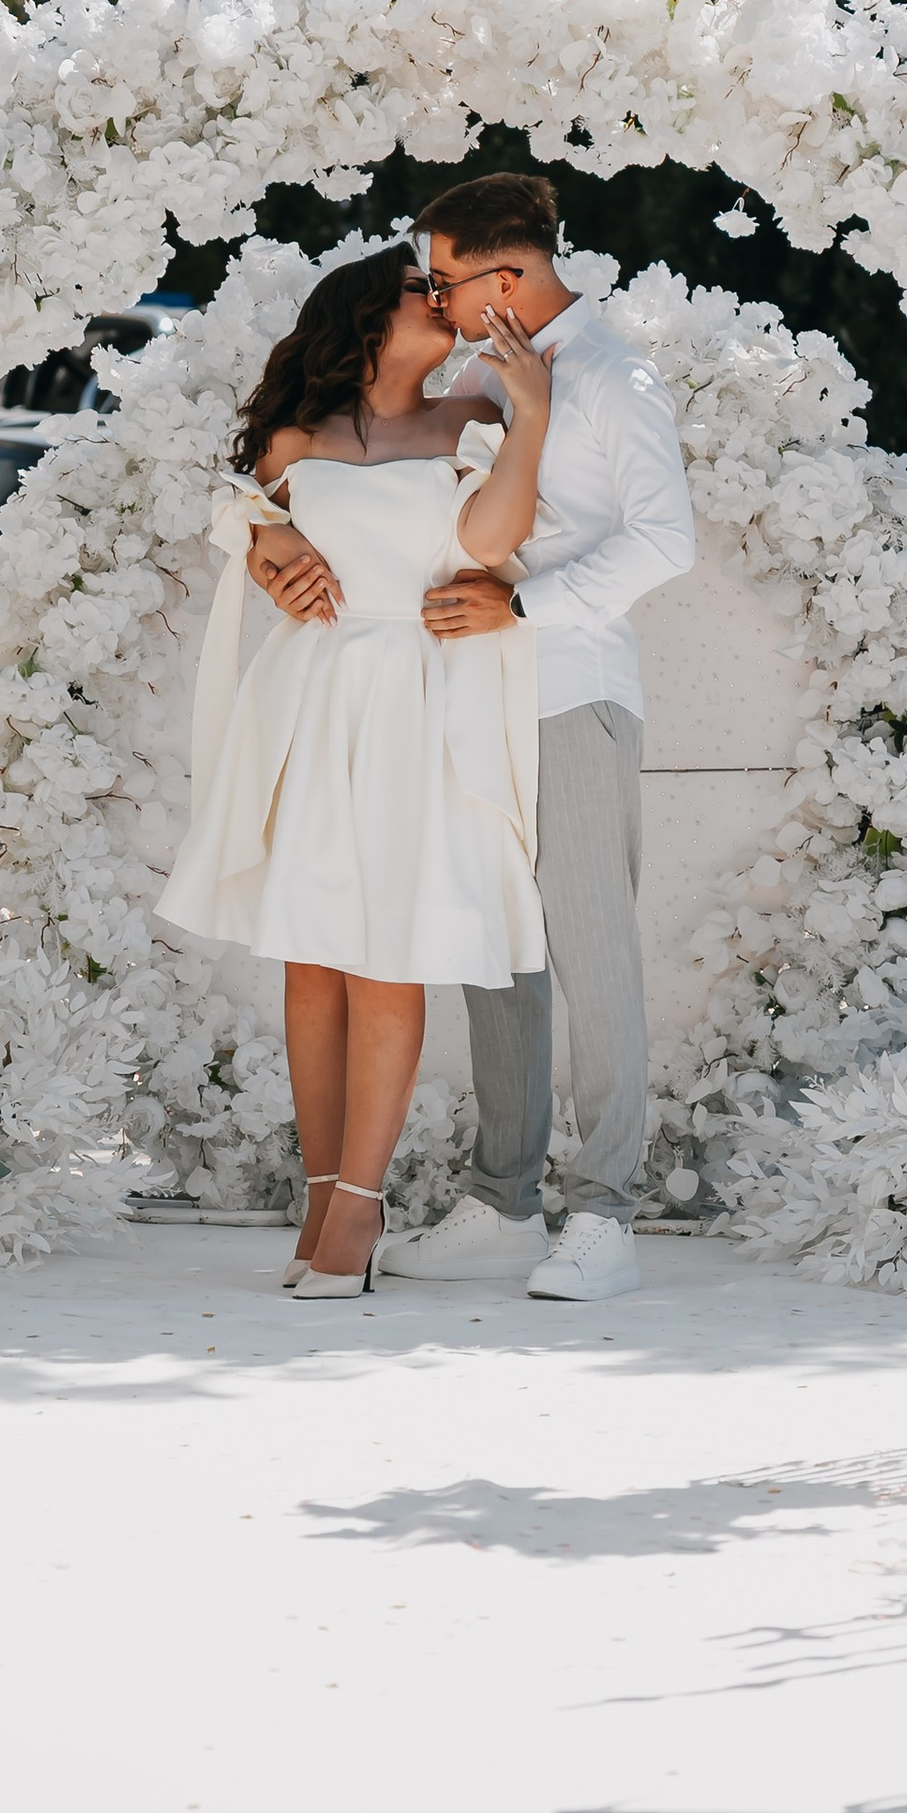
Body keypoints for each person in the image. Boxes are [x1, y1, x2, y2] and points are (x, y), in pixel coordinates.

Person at [246, 173, 696, 1303]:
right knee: (499, 957)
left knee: (589, 952)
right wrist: (267, 550)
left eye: (443, 277)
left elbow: (666, 541)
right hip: (463, 695)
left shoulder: (611, 376)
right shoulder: (478, 374)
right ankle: (504, 1201)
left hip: (565, 688)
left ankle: (606, 1215)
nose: (434, 298)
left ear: (508, 271)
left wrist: (529, 609)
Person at [157, 239, 554, 1297]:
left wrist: (534, 417)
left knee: (386, 954)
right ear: (369, 317)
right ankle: (320, 1191)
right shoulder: (298, 436)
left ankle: (359, 1213)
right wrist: (262, 544)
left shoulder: (472, 420)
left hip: (418, 699)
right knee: (310, 959)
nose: (447, 301)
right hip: (312, 699)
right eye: (425, 290)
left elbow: (492, 534)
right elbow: (241, 508)